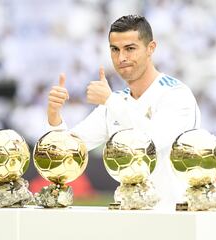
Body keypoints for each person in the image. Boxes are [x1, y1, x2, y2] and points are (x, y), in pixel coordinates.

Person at [46, 15, 201, 209]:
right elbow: (69, 150)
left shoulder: (176, 94)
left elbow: (153, 142)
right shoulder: (116, 102)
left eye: (130, 48)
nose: (121, 58)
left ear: (151, 48)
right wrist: (54, 116)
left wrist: (110, 101)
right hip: (130, 217)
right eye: (115, 49)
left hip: (175, 218)